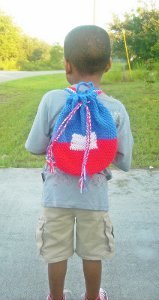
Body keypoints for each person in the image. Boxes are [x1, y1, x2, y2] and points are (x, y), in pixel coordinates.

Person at [25, 25, 133, 300]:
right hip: (94, 199)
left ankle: (57, 297)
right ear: (108, 64)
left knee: (56, 253)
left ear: (67, 65)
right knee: (93, 253)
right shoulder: (116, 109)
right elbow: (124, 161)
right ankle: (93, 297)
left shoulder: (52, 100)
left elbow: (35, 147)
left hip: (56, 197)